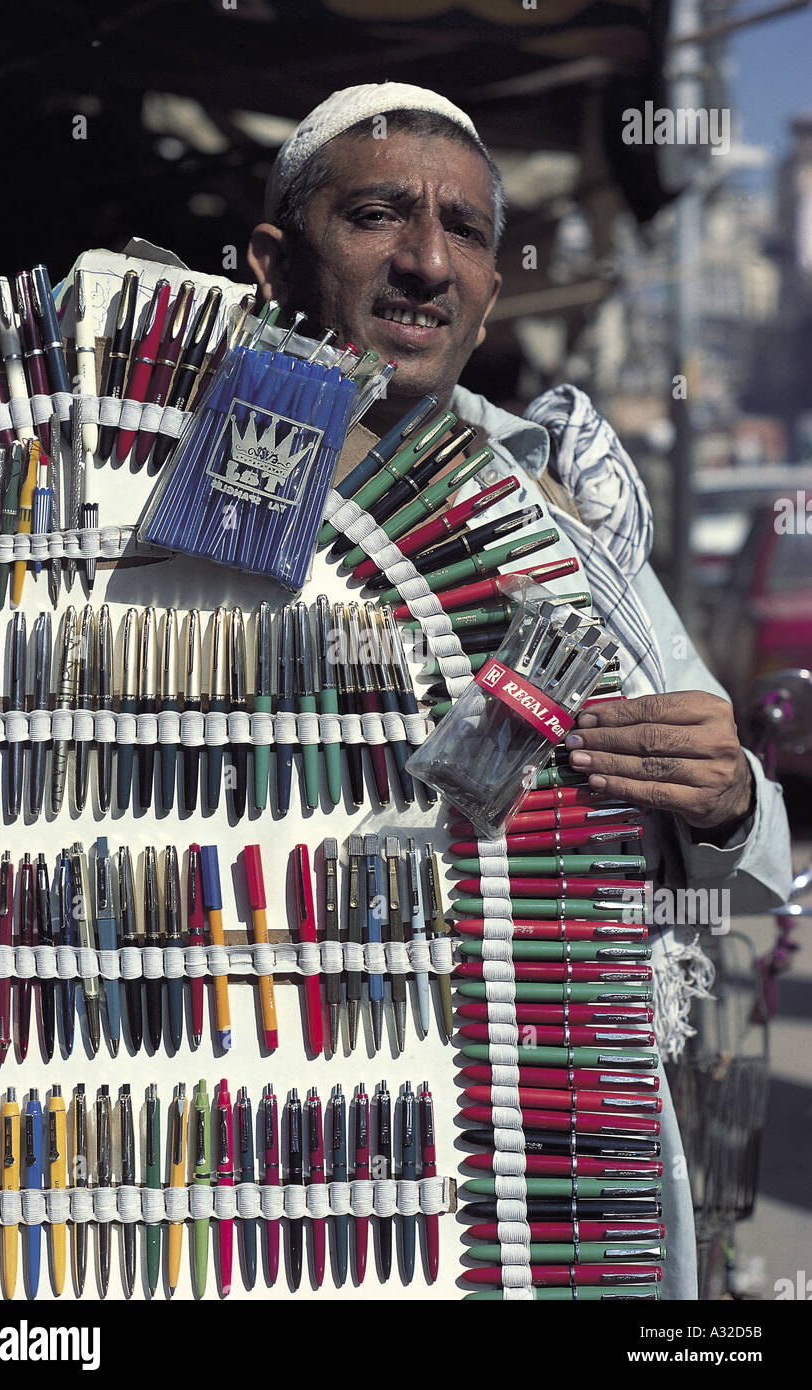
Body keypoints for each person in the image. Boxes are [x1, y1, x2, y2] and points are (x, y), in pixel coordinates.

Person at [247, 82, 794, 1299]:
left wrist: (717, 795)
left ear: (492, 285)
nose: (426, 263)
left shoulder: (563, 500)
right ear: (276, 262)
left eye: (466, 232)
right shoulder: (177, 476)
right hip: (261, 1121)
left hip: (522, 1141)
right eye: (377, 216)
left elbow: (746, 847)